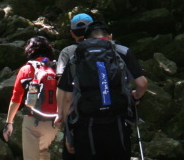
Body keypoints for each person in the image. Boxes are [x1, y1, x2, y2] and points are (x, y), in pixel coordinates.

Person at [55, 21, 148, 160]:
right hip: (117, 124)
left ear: (86, 40)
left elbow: (69, 99)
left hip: (86, 127)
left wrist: (69, 134)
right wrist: (136, 96)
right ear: (110, 36)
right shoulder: (122, 52)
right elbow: (142, 83)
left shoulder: (77, 57)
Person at [2, 36, 60, 160]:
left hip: (32, 120)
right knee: (43, 152)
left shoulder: (26, 70)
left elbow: (16, 98)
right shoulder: (56, 69)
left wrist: (9, 122)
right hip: (53, 121)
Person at [55, 13, 94, 160]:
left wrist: (60, 115)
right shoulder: (109, 49)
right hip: (107, 115)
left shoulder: (67, 52)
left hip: (77, 114)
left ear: (72, 33)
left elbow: (63, 86)